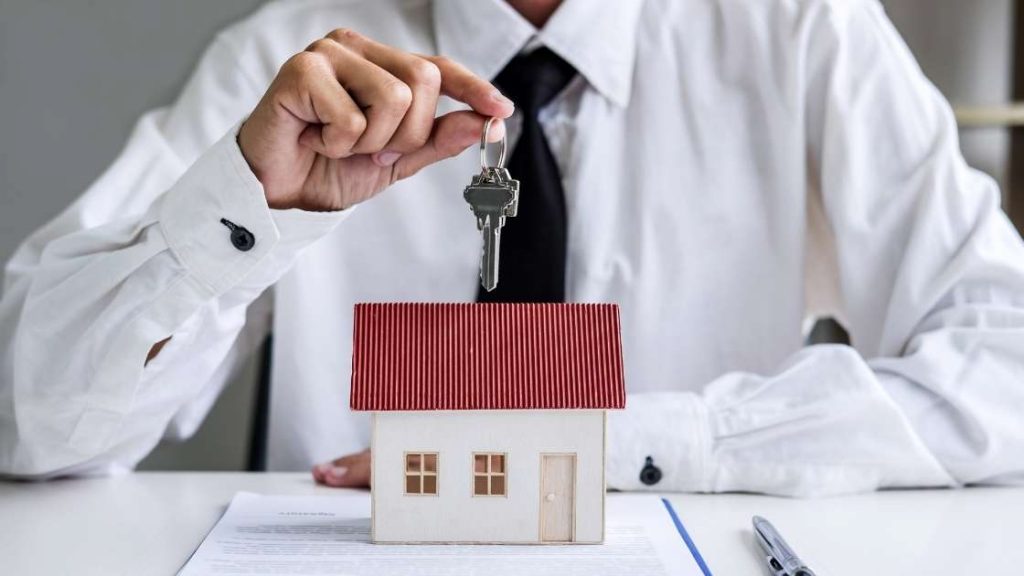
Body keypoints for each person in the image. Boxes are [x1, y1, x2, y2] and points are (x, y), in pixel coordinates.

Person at [2, 0, 1023, 497]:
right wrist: (240, 210)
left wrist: (630, 448)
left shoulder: (802, 31)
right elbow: (26, 423)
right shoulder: (293, 50)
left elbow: (1007, 367)